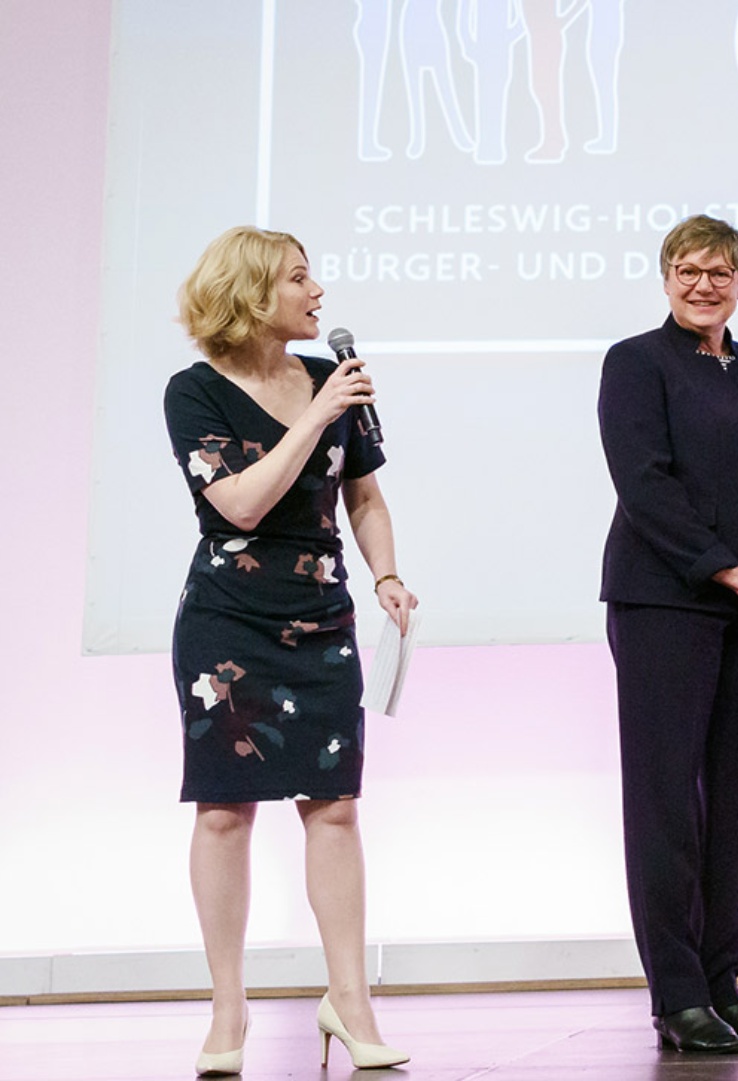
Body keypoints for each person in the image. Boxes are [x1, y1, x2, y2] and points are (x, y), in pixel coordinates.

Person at [165, 226, 418, 1075]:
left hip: (322, 621)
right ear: (251, 293)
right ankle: (227, 1007)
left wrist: (386, 575)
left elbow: (366, 493)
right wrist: (316, 414)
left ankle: (350, 1002)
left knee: (335, 807)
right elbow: (238, 503)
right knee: (224, 811)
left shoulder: (332, 382)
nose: (319, 293)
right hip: (227, 626)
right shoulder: (193, 391)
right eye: (300, 280)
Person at [598, 215, 738, 1054]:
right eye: (689, 270)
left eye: (721, 271)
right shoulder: (635, 362)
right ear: (665, 278)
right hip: (666, 604)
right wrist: (732, 570)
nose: (705, 284)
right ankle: (677, 992)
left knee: (737, 804)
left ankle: (723, 981)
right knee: (667, 805)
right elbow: (645, 485)